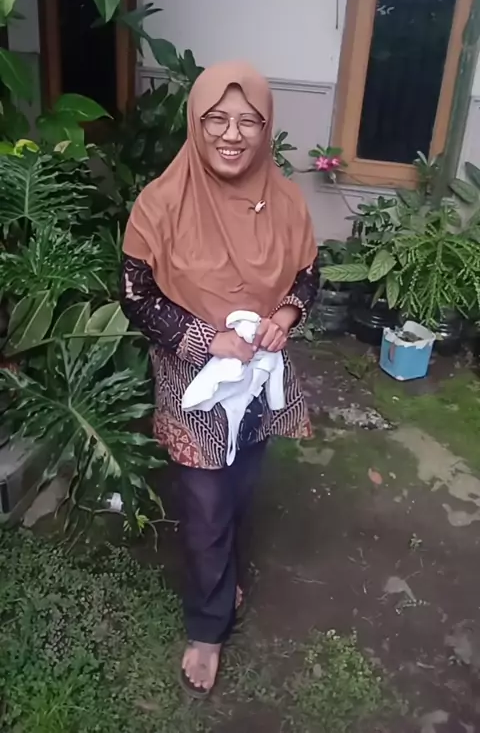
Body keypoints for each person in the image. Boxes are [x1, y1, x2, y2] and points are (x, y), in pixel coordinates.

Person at [120, 61, 319, 699]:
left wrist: (285, 317)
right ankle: (208, 628)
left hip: (258, 374)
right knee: (206, 502)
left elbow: (307, 275)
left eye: (248, 121)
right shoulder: (161, 202)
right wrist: (207, 339)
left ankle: (223, 571)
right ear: (196, 123)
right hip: (193, 373)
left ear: (266, 128)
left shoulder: (285, 201)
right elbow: (136, 294)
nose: (232, 135)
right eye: (216, 119)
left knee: (240, 482)